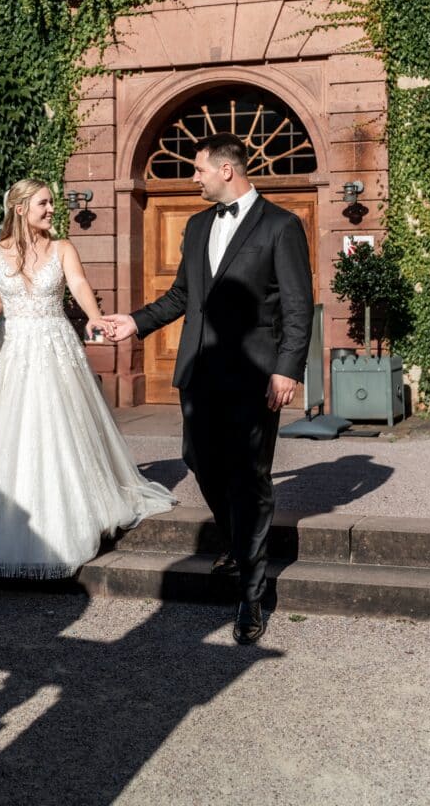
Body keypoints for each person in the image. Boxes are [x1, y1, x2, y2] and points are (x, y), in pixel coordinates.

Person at [104, 134, 313, 644]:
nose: (192, 178)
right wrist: (135, 322)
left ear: (226, 170)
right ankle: (241, 540)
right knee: (198, 457)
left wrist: (287, 368)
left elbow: (297, 305)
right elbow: (181, 295)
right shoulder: (197, 226)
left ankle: (251, 593)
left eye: (198, 170)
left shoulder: (282, 225)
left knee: (250, 475)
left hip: (255, 374)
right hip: (198, 368)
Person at [0, 178, 175, 578]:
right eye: (44, 204)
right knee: (11, 431)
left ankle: (72, 508)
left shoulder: (63, 248)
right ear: (21, 207)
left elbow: (79, 284)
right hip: (12, 350)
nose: (52, 210)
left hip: (54, 345)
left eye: (52, 204)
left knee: (59, 425)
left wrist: (96, 318)